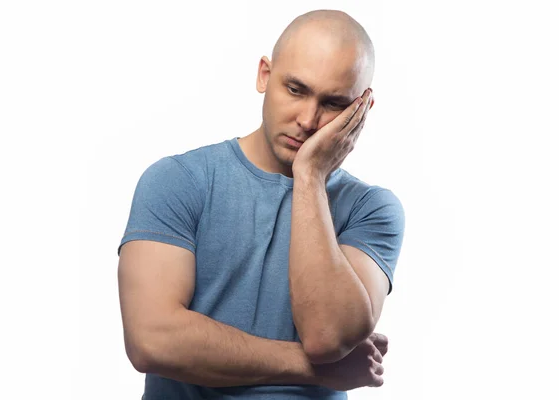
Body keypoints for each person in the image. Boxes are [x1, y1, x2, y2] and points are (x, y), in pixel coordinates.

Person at [117, 9, 405, 400]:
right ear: (264, 76)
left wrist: (310, 177)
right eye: (296, 90)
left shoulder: (371, 209)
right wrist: (317, 372)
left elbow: (326, 337)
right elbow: (152, 341)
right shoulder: (178, 180)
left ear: (362, 110)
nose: (308, 120)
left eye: (334, 103)